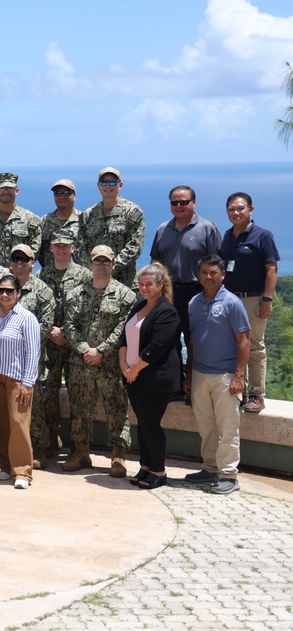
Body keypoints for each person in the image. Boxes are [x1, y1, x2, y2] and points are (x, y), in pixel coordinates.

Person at [62, 245, 136, 476]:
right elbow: (70, 326)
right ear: (90, 264)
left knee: (116, 410)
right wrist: (85, 350)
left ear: (113, 265)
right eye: (97, 261)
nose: (102, 265)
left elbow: (123, 328)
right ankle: (82, 453)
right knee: (80, 409)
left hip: (111, 364)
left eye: (106, 261)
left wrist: (101, 351)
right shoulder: (74, 294)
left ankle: (118, 456)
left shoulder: (127, 295)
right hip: (81, 363)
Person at [183, 255, 251, 495]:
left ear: (223, 275)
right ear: (198, 275)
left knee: (227, 426)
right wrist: (189, 375)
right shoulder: (193, 303)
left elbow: (244, 342)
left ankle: (229, 475)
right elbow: (192, 341)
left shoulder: (232, 303)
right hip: (200, 373)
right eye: (203, 272)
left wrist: (239, 376)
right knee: (206, 427)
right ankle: (210, 468)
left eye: (213, 272)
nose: (208, 277)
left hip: (225, 375)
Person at [149, 186, 222, 396]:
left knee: (196, 340)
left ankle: (195, 388)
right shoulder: (163, 229)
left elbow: (216, 264)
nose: (179, 206)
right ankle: (175, 386)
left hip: (197, 293)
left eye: (183, 202)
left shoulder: (207, 228)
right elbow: (156, 260)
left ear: (194, 203)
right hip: (169, 294)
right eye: (174, 202)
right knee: (169, 340)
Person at [118, 262, 181, 490]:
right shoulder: (138, 307)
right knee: (143, 423)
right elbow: (124, 338)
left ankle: (158, 470)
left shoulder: (167, 311)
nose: (144, 288)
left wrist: (134, 368)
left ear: (160, 285)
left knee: (151, 424)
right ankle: (145, 466)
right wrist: (124, 365)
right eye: (141, 284)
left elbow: (157, 346)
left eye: (149, 284)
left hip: (155, 378)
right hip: (134, 377)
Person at [217, 192, 279, 413]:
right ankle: (238, 390)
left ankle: (257, 394)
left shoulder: (262, 235)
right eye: (231, 209)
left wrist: (267, 299)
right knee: (233, 346)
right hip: (229, 300)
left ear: (250, 210)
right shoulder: (227, 236)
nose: (236, 212)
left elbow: (271, 269)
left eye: (240, 208)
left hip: (253, 299)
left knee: (254, 347)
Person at [35, 232, 92, 458]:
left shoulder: (84, 275)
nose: (61, 250)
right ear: (50, 249)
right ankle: (50, 438)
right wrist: (51, 331)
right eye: (56, 246)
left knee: (79, 393)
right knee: (47, 392)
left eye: (65, 246)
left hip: (75, 343)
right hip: (50, 342)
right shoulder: (42, 275)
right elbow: (38, 308)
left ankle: (80, 448)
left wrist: (67, 332)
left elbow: (88, 310)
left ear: (73, 248)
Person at [0, 275, 41, 489]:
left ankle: (22, 472)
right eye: (1, 290)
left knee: (19, 425)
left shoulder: (27, 318)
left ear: (18, 293)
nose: (5, 294)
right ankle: (5, 466)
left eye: (10, 291)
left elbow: (33, 352)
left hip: (17, 380)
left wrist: (28, 383)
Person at [8, 245, 56, 468]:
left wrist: (23, 342)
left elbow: (45, 325)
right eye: (15, 258)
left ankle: (38, 448)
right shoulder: (5, 287)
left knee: (34, 408)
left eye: (24, 259)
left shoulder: (42, 291)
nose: (19, 263)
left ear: (32, 262)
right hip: (8, 359)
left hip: (32, 358)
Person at [77, 167, 145, 288]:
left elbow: (135, 246)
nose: (108, 185)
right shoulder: (89, 214)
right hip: (94, 283)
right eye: (104, 182)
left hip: (124, 284)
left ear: (120, 185)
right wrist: (94, 270)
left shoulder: (132, 212)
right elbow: (81, 247)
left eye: (113, 182)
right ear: (98, 185)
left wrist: (109, 268)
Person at [0, 173, 42, 266]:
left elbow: (34, 250)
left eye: (10, 188)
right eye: (2, 188)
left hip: (20, 273)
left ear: (17, 191)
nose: (6, 191)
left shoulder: (30, 219)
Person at [39, 179, 81, 270]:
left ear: (74, 196)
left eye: (66, 193)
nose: (62, 196)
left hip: (79, 277)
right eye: (57, 193)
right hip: (50, 277)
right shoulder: (44, 221)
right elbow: (39, 251)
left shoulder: (84, 220)